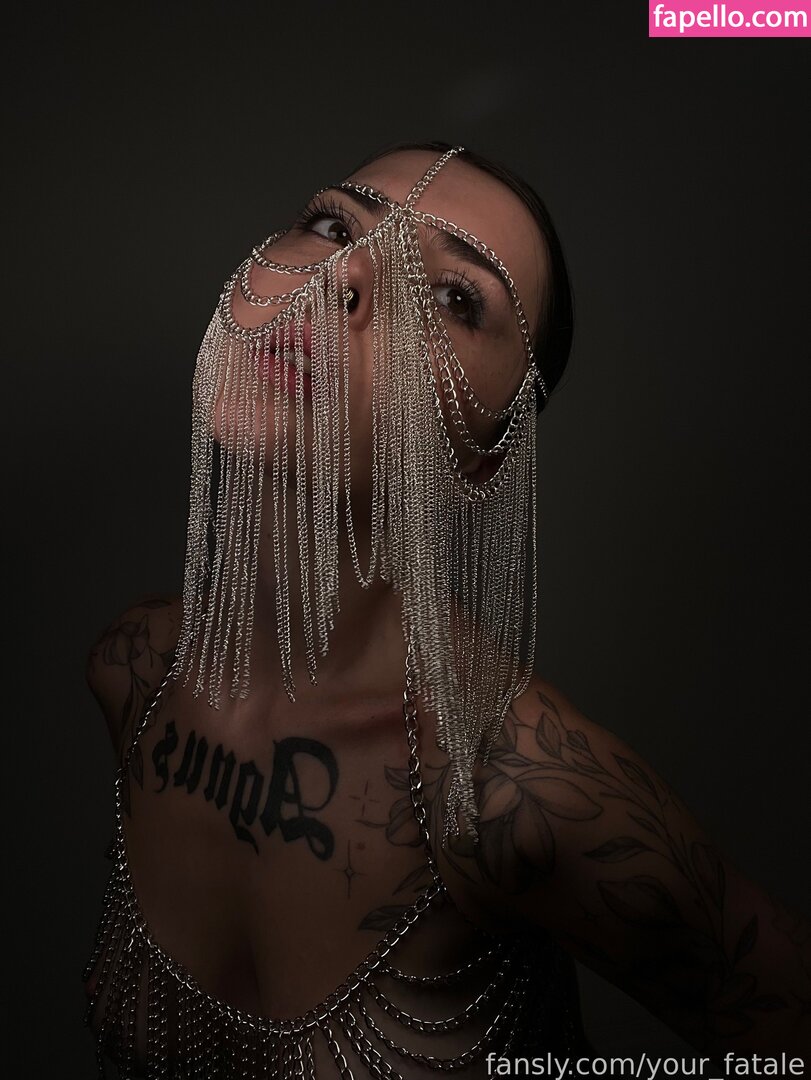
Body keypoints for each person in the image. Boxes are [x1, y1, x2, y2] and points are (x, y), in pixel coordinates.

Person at [83, 143, 810, 1078]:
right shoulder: (135, 672)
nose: (344, 276)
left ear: (484, 450)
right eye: (333, 225)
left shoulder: (518, 795)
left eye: (453, 297)